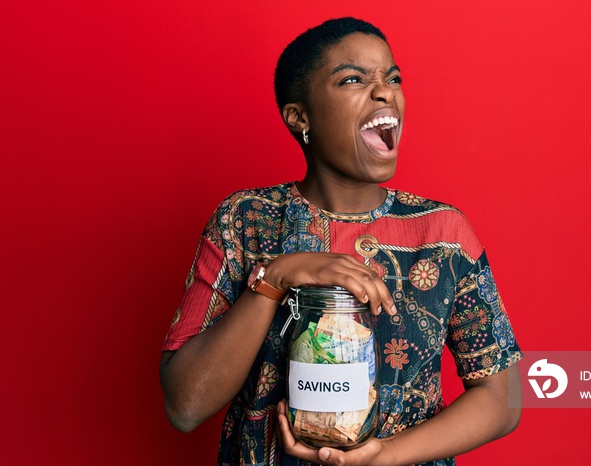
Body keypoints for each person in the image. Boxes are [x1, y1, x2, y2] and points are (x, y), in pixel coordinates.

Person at [160, 17, 522, 466]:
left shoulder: (442, 234)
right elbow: (185, 405)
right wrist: (277, 276)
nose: (385, 91)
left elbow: (502, 397)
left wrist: (384, 455)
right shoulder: (245, 221)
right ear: (300, 117)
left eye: (392, 78)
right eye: (353, 79)